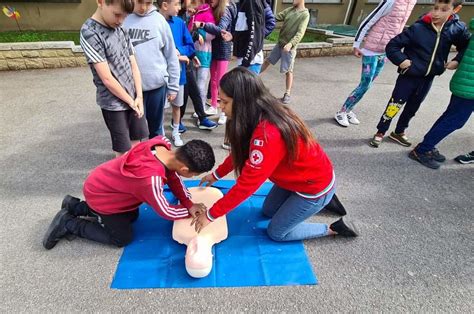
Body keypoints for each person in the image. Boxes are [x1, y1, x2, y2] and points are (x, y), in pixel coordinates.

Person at [192, 68, 357, 241]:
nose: (220, 107)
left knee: (276, 233)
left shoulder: (267, 134)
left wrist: (210, 215)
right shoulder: (257, 113)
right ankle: (319, 202)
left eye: (224, 102)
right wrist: (216, 175)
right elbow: (241, 151)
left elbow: (247, 185)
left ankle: (332, 227)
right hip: (295, 180)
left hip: (313, 187)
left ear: (242, 102)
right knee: (268, 210)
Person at [43, 137, 215, 250]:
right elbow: (166, 211)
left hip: (101, 181)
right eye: (193, 174)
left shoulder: (162, 143)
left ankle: (75, 206)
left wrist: (188, 202)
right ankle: (69, 223)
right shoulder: (150, 179)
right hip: (101, 196)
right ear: (185, 168)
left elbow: (173, 177)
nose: (191, 177)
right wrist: (189, 212)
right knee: (122, 238)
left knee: (132, 216)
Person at [369, 0, 470, 148]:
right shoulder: (418, 28)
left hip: (428, 78)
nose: (436, 13)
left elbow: (466, 47)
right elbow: (393, 46)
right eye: (435, 8)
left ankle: (399, 132)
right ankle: (381, 131)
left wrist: (457, 60)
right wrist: (402, 60)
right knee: (395, 104)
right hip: (408, 76)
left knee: (413, 107)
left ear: (456, 9)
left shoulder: (457, 29)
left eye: (443, 9)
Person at [80, 0, 149, 157]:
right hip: (113, 103)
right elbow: (107, 79)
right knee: (123, 152)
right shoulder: (90, 32)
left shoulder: (121, 28)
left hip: (133, 98)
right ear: (101, 2)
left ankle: (135, 179)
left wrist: (139, 96)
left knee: (137, 145)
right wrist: (131, 102)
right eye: (117, 15)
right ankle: (123, 181)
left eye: (124, 16)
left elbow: (133, 65)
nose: (120, 21)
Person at [334, 0, 416, 126]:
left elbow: (399, 27)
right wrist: (357, 44)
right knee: (365, 84)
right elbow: (368, 21)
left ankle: (349, 109)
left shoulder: (410, 3)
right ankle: (342, 112)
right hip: (371, 50)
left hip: (385, 51)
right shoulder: (391, 1)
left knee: (369, 84)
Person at [409, 18, 473, 169]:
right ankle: (422, 150)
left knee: (450, 117)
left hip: (466, 82)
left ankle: (427, 146)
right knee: (454, 120)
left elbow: (467, 48)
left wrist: (457, 59)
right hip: (470, 86)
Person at [123, 0, 180, 139]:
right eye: (139, 3)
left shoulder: (160, 21)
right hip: (132, 90)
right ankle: (139, 158)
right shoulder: (123, 19)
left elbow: (171, 55)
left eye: (147, 3)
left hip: (156, 87)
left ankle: (156, 156)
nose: (143, 8)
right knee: (136, 132)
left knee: (156, 130)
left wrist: (173, 86)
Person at [159, 0, 195, 147]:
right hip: (160, 75)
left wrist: (179, 51)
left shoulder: (179, 23)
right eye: (177, 4)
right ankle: (159, 134)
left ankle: (175, 131)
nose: (180, 7)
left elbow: (190, 46)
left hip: (179, 74)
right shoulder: (155, 23)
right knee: (160, 107)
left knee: (177, 105)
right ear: (164, 5)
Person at [178, 0, 218, 132]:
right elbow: (178, 39)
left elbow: (187, 37)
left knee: (194, 91)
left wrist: (192, 54)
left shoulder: (186, 16)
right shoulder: (177, 18)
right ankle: (176, 122)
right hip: (179, 61)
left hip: (188, 58)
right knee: (183, 94)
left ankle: (202, 118)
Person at [260, 0, 310, 104]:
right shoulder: (290, 10)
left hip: (289, 48)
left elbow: (300, 33)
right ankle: (253, 76)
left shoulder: (305, 14)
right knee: (267, 61)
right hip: (280, 44)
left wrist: (291, 44)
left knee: (288, 71)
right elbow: (275, 17)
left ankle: (287, 93)